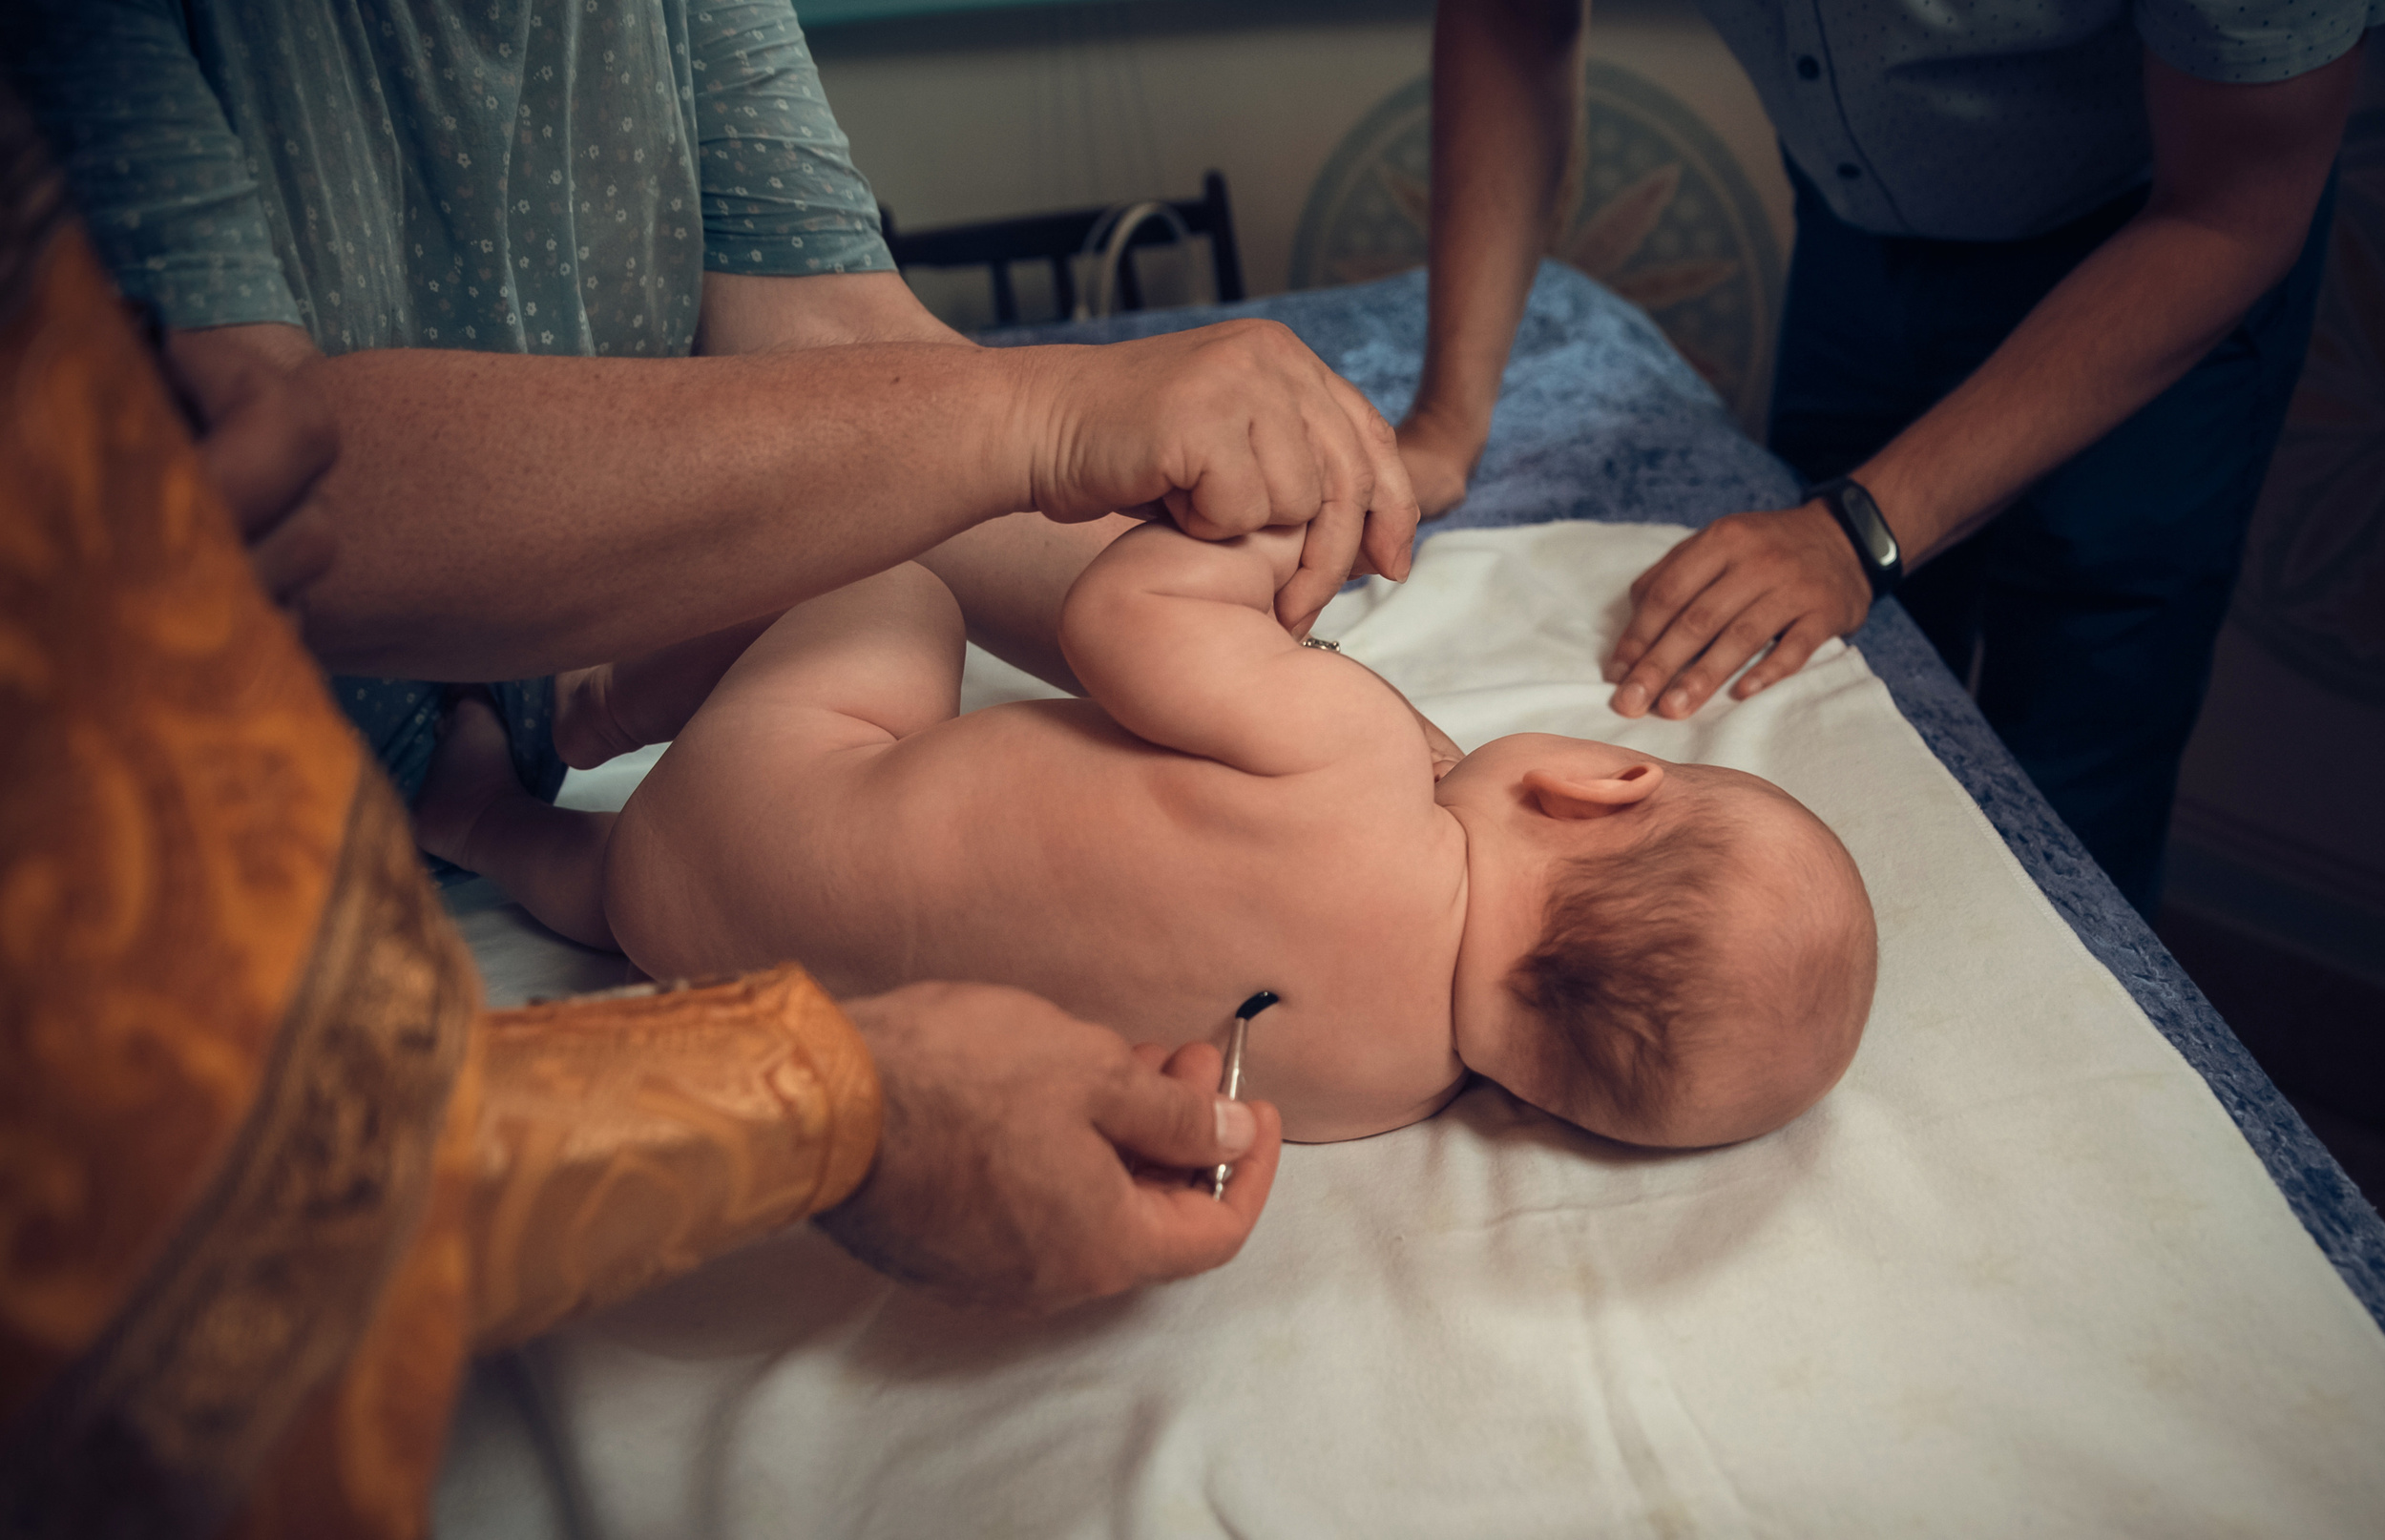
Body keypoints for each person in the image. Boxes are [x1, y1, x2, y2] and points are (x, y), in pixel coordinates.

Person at [3, 0, 1420, 1315]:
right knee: (826, 634)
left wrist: (1255, 649)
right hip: (395, 878)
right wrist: (1046, 420)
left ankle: (565, 744)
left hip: (650, 861)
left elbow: (838, 344)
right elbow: (247, 491)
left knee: (875, 599)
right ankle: (549, 761)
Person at [418, 520, 1878, 1149]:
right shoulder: (1377, 1093)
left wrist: (1265, 543)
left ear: (1599, 783)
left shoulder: (1364, 762)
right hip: (720, 956)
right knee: (629, 883)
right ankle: (481, 818)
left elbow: (1117, 615)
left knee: (899, 579)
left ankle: (604, 702)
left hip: (768, 799)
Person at [1396, 0, 2385, 912]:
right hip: (1858, 231)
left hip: (2156, 244)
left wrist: (1856, 532)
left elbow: (2232, 211)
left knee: (2079, 772)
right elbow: (1510, 18)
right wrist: (1446, 420)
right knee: (1817, 716)